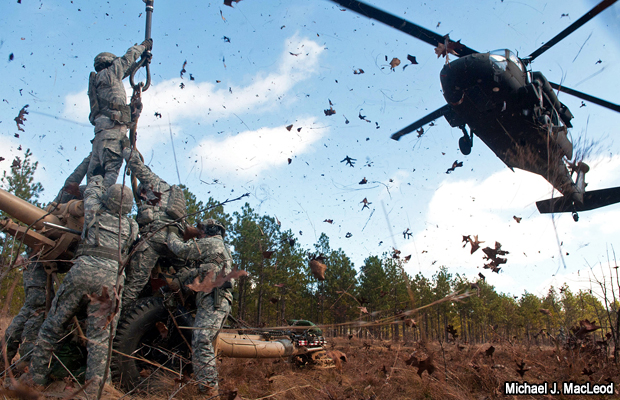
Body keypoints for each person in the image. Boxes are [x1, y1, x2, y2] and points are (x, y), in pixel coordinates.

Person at [27, 174, 138, 394]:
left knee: (53, 326)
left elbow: (91, 192)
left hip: (84, 271)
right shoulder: (132, 226)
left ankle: (35, 380)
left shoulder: (94, 210)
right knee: (101, 339)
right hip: (111, 280)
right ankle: (96, 391)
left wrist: (98, 179)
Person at [166, 219, 234, 395]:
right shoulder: (223, 249)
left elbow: (181, 250)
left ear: (210, 231)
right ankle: (206, 388)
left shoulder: (211, 243)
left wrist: (171, 233)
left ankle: (209, 391)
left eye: (202, 230)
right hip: (217, 299)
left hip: (214, 299)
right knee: (204, 342)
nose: (199, 234)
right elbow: (206, 269)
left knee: (201, 340)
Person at [120, 147, 187, 313]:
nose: (143, 198)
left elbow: (135, 163)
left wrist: (125, 147)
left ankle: (118, 318)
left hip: (154, 238)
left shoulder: (151, 181)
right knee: (187, 275)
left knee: (133, 287)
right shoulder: (173, 193)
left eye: (142, 195)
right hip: (175, 243)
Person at [87, 39, 153, 189]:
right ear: (110, 63)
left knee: (92, 184)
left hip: (99, 139)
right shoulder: (111, 73)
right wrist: (143, 47)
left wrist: (140, 62)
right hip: (113, 136)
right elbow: (127, 58)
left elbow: (126, 70)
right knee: (108, 185)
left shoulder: (98, 80)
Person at [2, 262, 46, 369]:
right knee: (38, 309)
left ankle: (4, 359)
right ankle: (26, 362)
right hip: (37, 268)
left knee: (30, 309)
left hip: (33, 266)